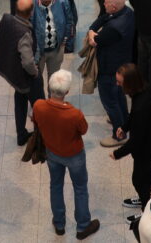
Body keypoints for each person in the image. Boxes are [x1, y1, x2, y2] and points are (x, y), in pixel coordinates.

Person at [32, 71, 101, 239]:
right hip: (74, 156)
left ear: (49, 87)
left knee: (55, 186)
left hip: (52, 153)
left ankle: (59, 224)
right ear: (67, 92)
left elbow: (36, 121)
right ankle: (83, 226)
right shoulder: (74, 114)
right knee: (80, 188)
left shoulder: (39, 105)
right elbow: (83, 130)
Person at [111, 63, 151, 220]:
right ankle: (144, 198)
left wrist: (117, 153)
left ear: (130, 83)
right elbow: (133, 116)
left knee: (139, 179)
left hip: (146, 147)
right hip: (150, 141)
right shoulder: (142, 91)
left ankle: (146, 210)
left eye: (120, 82)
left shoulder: (141, 103)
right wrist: (125, 127)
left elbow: (136, 141)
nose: (117, 84)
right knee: (144, 173)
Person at [87, 0, 135, 147]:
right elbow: (100, 20)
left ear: (113, 7)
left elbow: (96, 40)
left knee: (110, 101)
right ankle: (124, 120)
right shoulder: (127, 12)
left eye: (106, 3)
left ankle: (119, 134)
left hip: (109, 69)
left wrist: (91, 35)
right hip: (122, 65)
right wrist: (91, 30)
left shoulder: (114, 28)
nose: (103, 4)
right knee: (120, 96)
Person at [0, 0, 44, 146]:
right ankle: (39, 138)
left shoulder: (6, 19)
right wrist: (35, 73)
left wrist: (10, 47)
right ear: (31, 12)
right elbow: (28, 62)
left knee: (19, 102)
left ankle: (21, 135)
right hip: (27, 77)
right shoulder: (24, 33)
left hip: (14, 76)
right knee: (39, 106)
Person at [31, 0, 71, 92]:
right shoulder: (31, 4)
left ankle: (52, 102)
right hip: (38, 51)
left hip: (56, 49)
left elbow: (69, 22)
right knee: (36, 80)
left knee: (54, 81)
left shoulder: (63, 1)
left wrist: (65, 39)